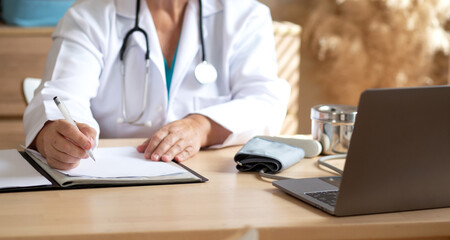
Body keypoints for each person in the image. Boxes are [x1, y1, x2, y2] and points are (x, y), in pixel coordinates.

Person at [23, 0, 290, 170]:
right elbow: (61, 95)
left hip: (211, 184)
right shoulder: (89, 16)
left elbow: (265, 101)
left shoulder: (246, 15)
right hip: (109, 185)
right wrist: (54, 136)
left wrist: (201, 127)